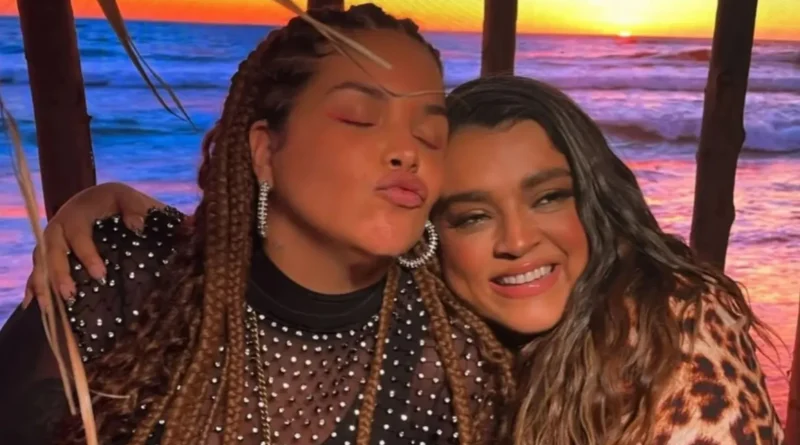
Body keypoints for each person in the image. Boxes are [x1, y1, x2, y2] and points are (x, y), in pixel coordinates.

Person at [31, 75, 786, 445]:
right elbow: (292, 256)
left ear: (593, 202)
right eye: (472, 215)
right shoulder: (450, 337)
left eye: (549, 197)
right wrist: (129, 212)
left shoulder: (669, 323)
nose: (517, 239)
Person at [0, 5, 514, 445]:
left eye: (430, 134)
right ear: (266, 152)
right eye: (359, 117)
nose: (408, 151)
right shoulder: (125, 273)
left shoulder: (452, 364)